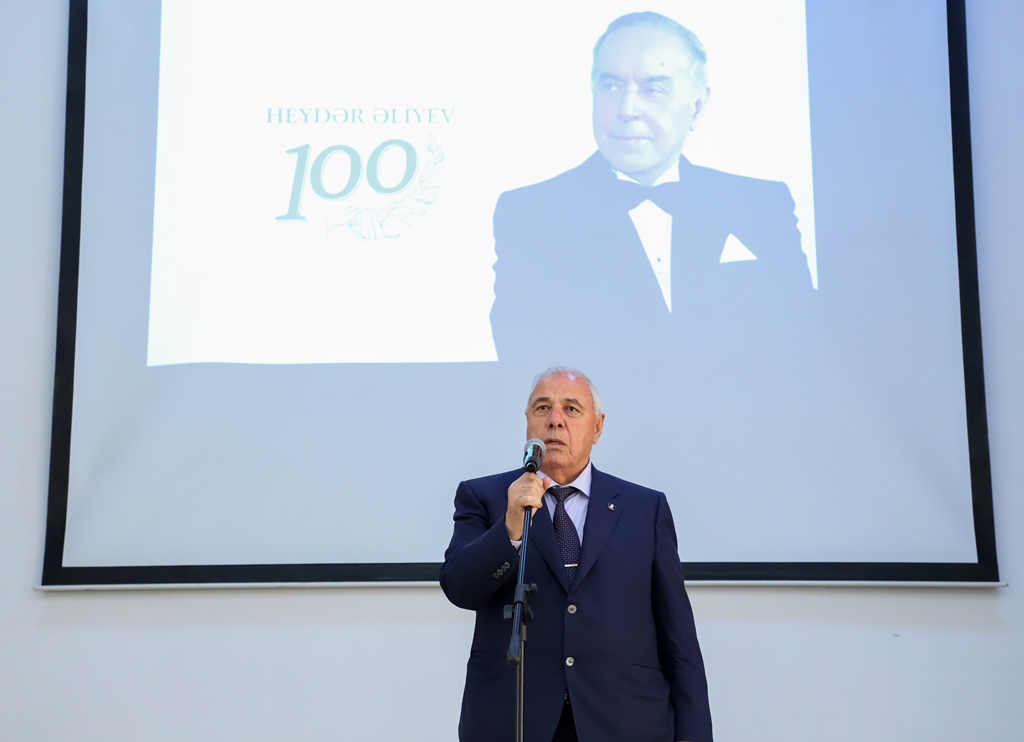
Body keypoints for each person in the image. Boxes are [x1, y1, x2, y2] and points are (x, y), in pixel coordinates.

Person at [489, 12, 814, 369]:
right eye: (611, 86)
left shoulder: (761, 204)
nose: (627, 110)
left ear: (698, 106)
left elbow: (800, 336)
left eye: (653, 89)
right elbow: (529, 359)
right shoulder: (532, 214)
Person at [441, 367, 713, 742]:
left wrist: (694, 734)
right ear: (527, 421)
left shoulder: (644, 508)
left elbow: (677, 634)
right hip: (515, 720)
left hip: (626, 722)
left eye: (571, 409)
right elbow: (460, 588)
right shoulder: (485, 497)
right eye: (543, 408)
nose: (555, 420)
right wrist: (510, 527)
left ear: (597, 427)